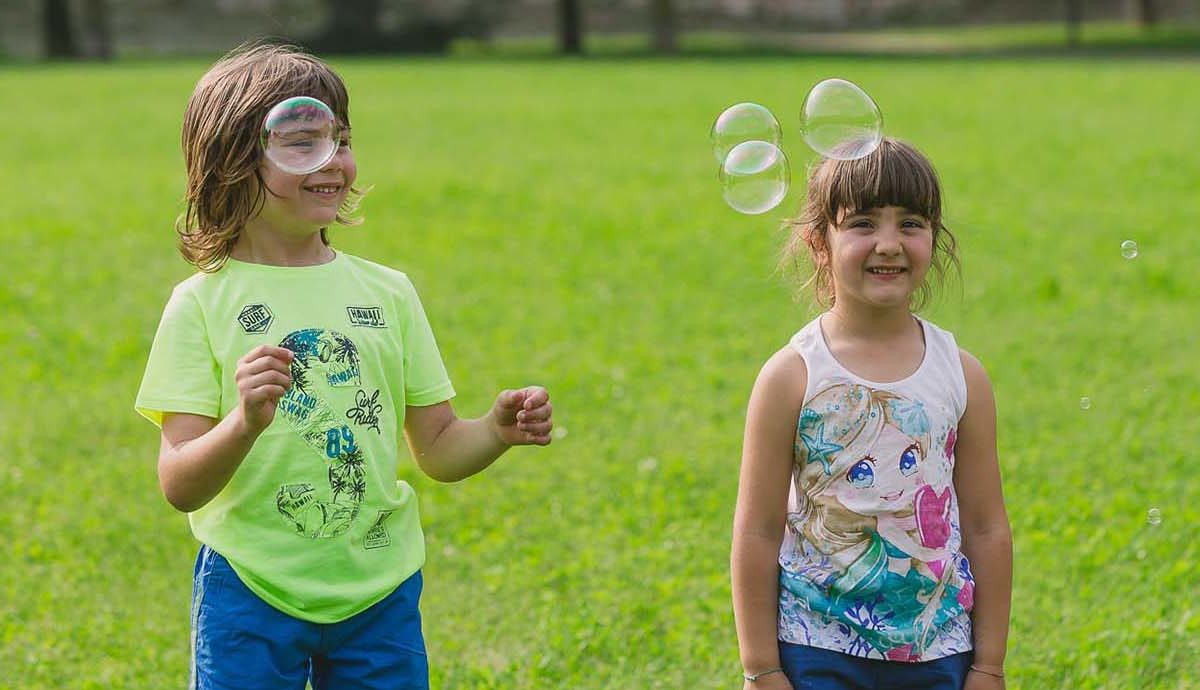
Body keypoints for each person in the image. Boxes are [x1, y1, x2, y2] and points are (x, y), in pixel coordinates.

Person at [135, 42, 553, 690]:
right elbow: (180, 483)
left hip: (377, 589)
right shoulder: (200, 305)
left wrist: (495, 432)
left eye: (342, 139)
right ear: (234, 163)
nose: (335, 161)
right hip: (250, 588)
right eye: (304, 143)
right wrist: (243, 422)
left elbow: (437, 448)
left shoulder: (387, 293)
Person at [731, 138, 1012, 690]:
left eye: (911, 223)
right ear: (819, 243)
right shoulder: (791, 377)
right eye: (862, 223)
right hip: (814, 648)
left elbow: (985, 525)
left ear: (935, 237)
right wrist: (761, 667)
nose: (889, 244)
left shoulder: (962, 374)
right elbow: (758, 531)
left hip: (937, 648)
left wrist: (988, 664)